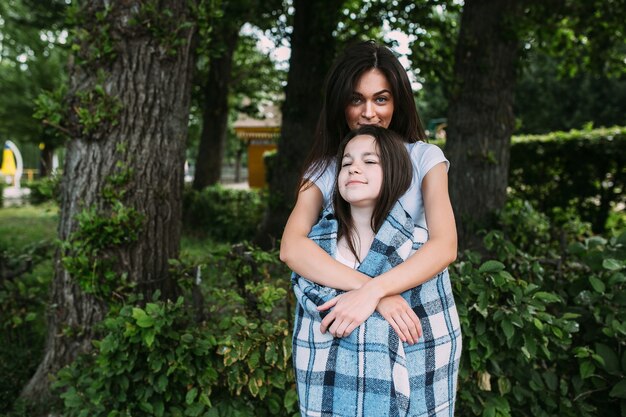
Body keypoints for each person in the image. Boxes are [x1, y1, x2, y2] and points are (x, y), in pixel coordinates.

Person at [281, 41, 462, 416]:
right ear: (339, 104)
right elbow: (292, 248)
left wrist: (378, 289)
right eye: (356, 99)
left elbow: (444, 246)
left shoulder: (425, 158)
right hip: (343, 328)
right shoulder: (328, 167)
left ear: (398, 102)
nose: (368, 113)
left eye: (381, 99)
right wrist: (373, 294)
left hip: (417, 323)